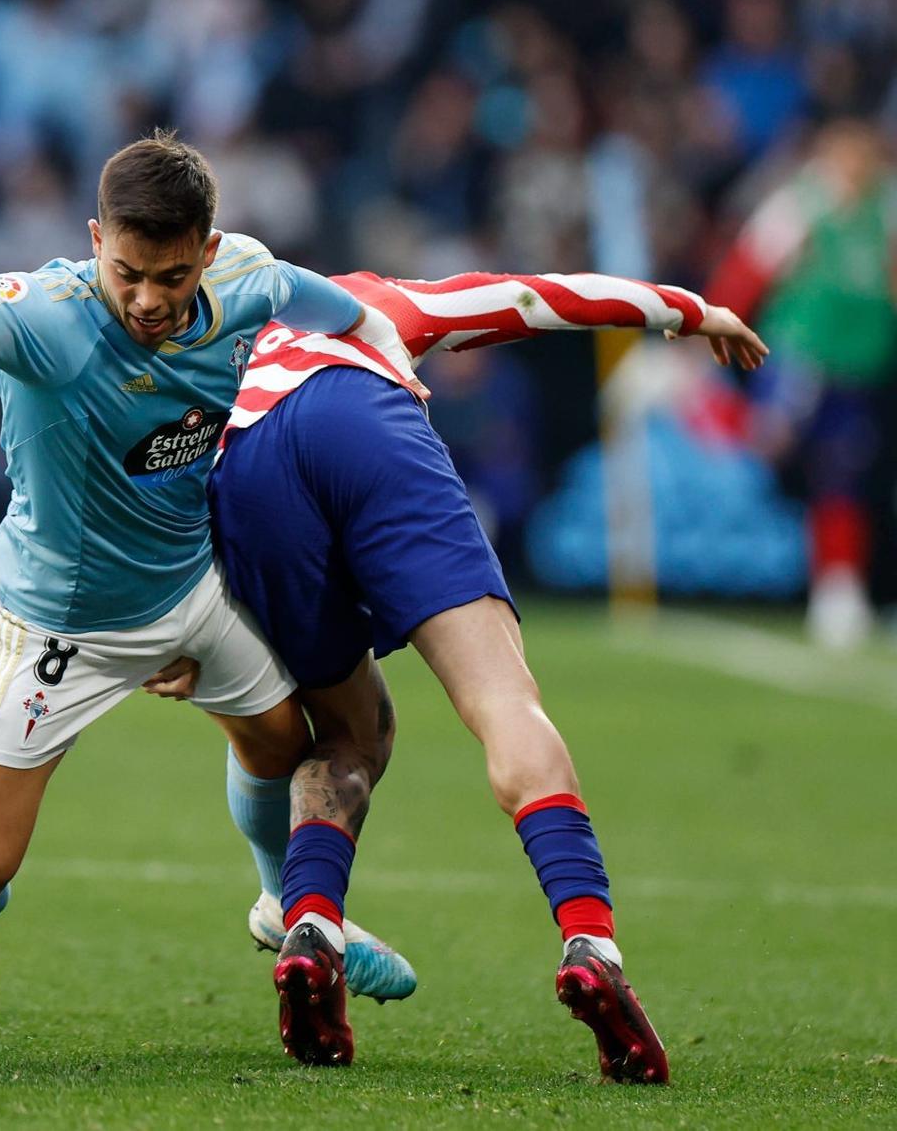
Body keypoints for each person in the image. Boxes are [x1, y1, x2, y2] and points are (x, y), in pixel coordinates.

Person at [0, 129, 422, 1052]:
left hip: (191, 588)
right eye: (127, 271)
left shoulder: (247, 280)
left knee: (285, 745)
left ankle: (285, 903)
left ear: (208, 254)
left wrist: (397, 370)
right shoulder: (48, 316)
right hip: (61, 623)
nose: (146, 299)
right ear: (94, 237)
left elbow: (345, 310)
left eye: (172, 277)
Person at [194, 267, 766, 1078]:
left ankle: (313, 926)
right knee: (503, 702)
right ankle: (589, 943)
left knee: (355, 732)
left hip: (248, 472)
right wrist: (690, 309)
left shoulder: (204, 344)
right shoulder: (372, 300)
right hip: (365, 423)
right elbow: (538, 299)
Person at [706, 120, 895, 647]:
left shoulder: (885, 210)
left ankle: (838, 589)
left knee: (842, 473)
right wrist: (708, 328)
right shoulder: (801, 206)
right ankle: (697, 403)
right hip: (800, 359)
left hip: (859, 367)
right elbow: (747, 270)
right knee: (774, 449)